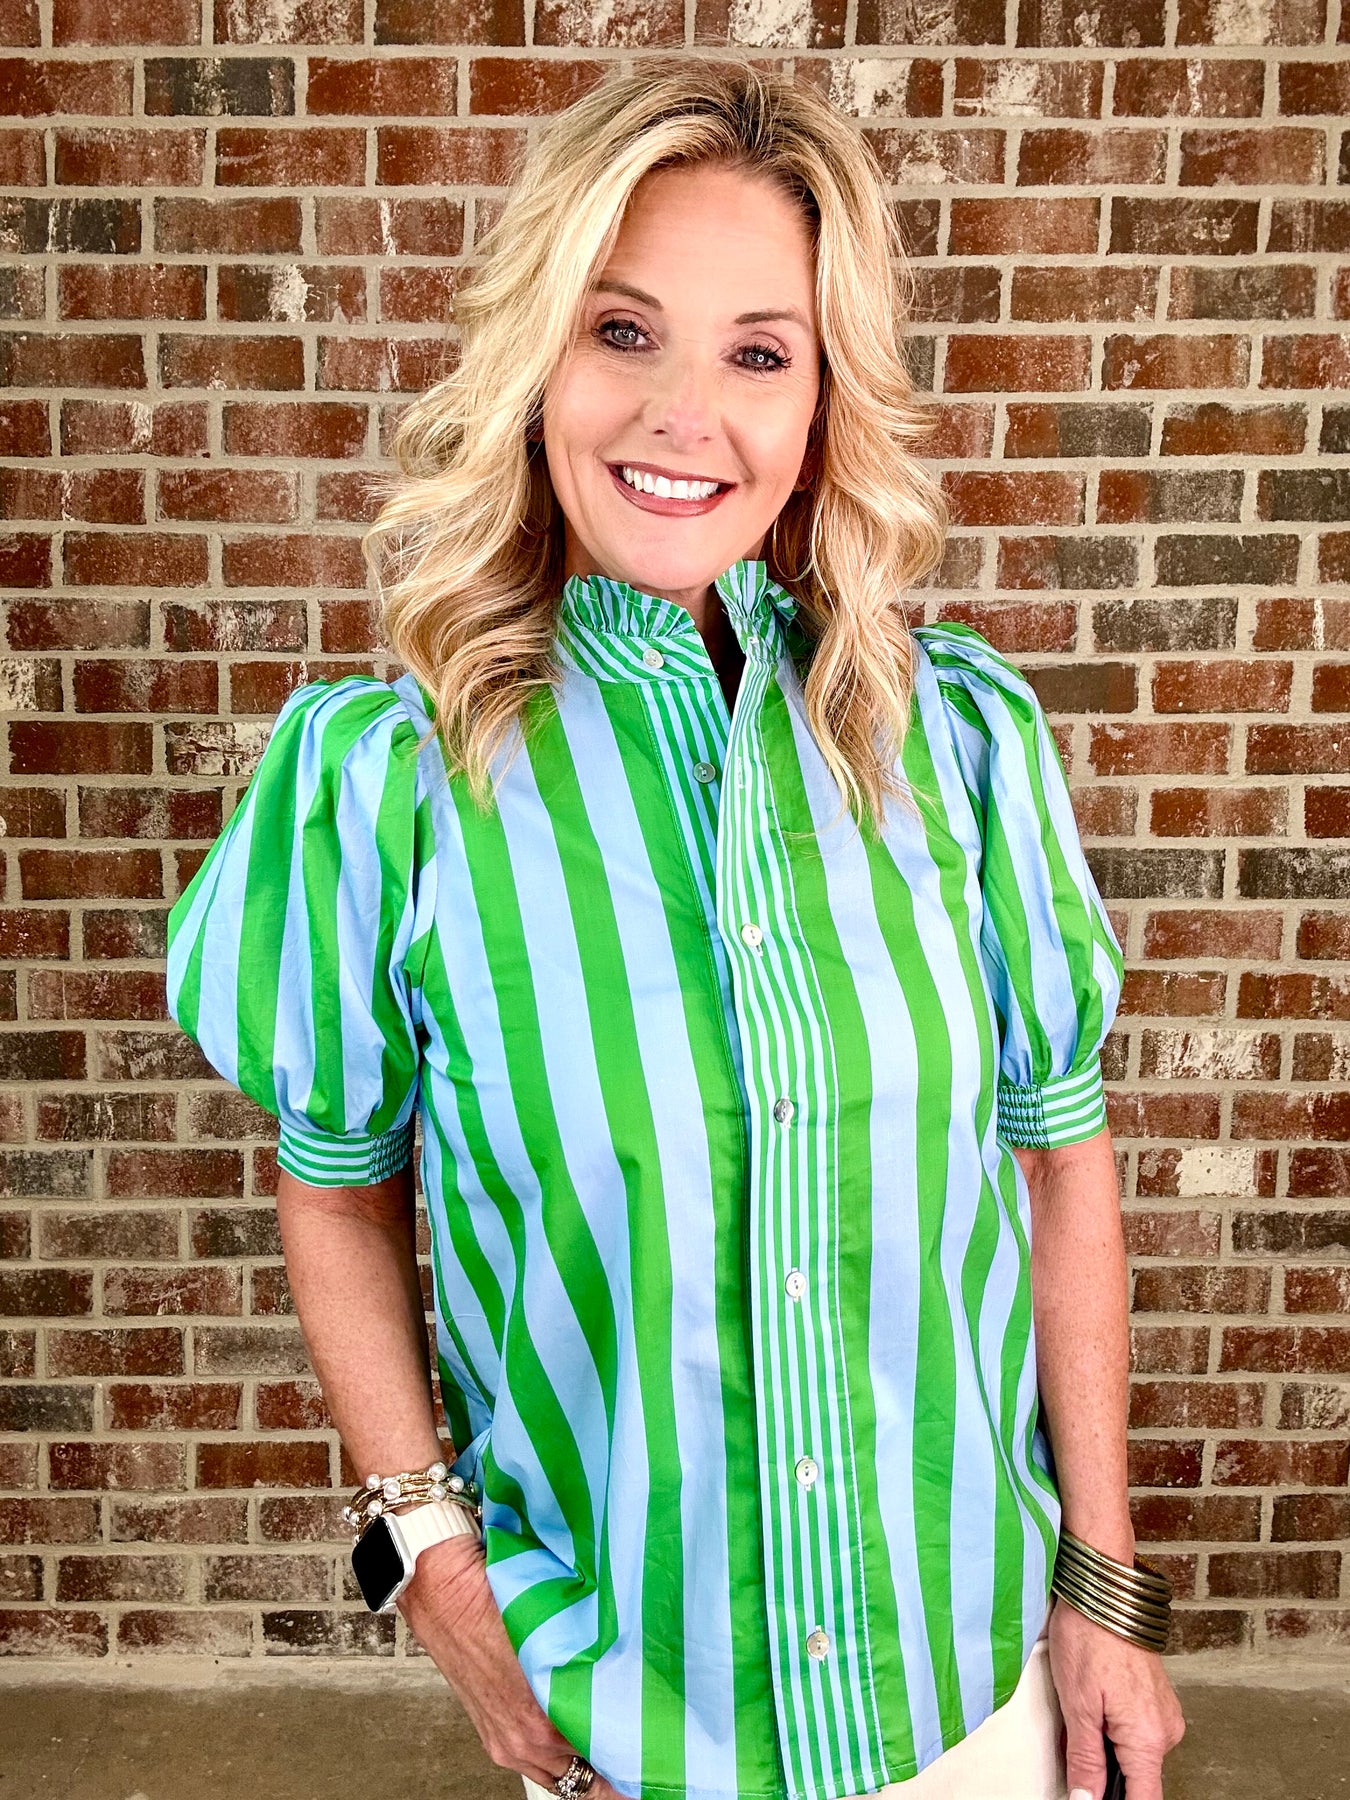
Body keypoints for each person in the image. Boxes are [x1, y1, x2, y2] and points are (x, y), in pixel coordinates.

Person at [166, 55, 1186, 1800]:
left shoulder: (956, 741)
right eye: (622, 331)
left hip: (963, 1684)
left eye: (757, 353)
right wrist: (432, 1565)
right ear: (536, 352)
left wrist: (1103, 1583)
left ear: (823, 400)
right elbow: (336, 1187)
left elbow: (1057, 1160)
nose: (680, 414)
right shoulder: (387, 782)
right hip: (622, 1711)